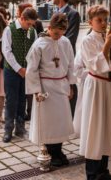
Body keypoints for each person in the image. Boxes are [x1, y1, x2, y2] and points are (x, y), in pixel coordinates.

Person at [73, 5, 111, 180]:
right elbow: (93, 64)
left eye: (105, 20)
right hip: (96, 87)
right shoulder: (88, 41)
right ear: (90, 22)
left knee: (107, 128)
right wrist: (107, 46)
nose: (103, 23)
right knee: (95, 128)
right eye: (99, 20)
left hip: (109, 87)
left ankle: (104, 171)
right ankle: (92, 173)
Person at [26, 13, 75, 167]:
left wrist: (71, 85)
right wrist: (36, 91)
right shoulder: (39, 44)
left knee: (60, 121)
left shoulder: (65, 42)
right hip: (45, 88)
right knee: (48, 123)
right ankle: (51, 152)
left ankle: (58, 150)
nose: (58, 37)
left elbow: (71, 64)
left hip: (61, 86)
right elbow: (31, 70)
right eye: (55, 33)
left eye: (61, 34)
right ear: (49, 28)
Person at [1, 7, 38, 143]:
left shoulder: (32, 31)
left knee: (23, 98)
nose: (30, 27)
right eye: (28, 24)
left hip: (26, 70)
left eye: (32, 25)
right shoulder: (9, 30)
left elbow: (34, 50)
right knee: (11, 100)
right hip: (11, 70)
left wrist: (29, 68)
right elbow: (6, 51)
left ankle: (20, 127)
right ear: (22, 19)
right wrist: (18, 68)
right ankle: (8, 129)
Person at [53, 0, 81, 118]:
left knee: (71, 82)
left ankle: (72, 115)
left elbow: (71, 37)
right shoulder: (56, 13)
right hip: (54, 56)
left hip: (67, 54)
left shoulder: (73, 14)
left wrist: (56, 43)